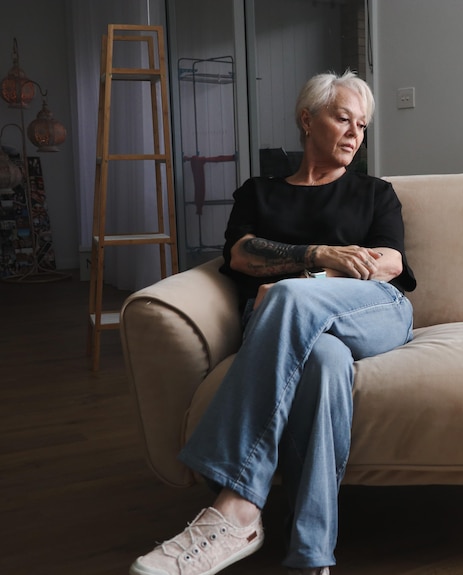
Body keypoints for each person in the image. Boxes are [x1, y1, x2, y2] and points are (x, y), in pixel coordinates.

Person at [130, 70, 416, 575]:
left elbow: (389, 263)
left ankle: (235, 505)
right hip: (300, 330)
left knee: (287, 298)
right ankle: (312, 558)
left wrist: (300, 284)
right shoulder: (258, 193)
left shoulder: (374, 192)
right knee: (324, 362)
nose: (355, 133)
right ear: (307, 120)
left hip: (373, 311)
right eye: (343, 118)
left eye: (363, 125)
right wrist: (320, 255)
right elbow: (241, 256)